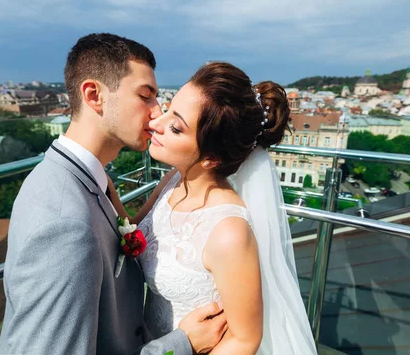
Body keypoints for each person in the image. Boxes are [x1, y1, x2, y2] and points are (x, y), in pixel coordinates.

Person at [0, 34, 227, 355]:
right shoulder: (66, 224)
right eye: (145, 95)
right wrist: (181, 344)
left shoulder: (83, 179)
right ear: (94, 95)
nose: (157, 111)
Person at [108, 61, 317, 354]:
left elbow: (245, 339)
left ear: (211, 158)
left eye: (176, 127)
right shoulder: (174, 180)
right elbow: (133, 225)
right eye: (167, 110)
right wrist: (97, 175)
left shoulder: (229, 232)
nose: (156, 123)